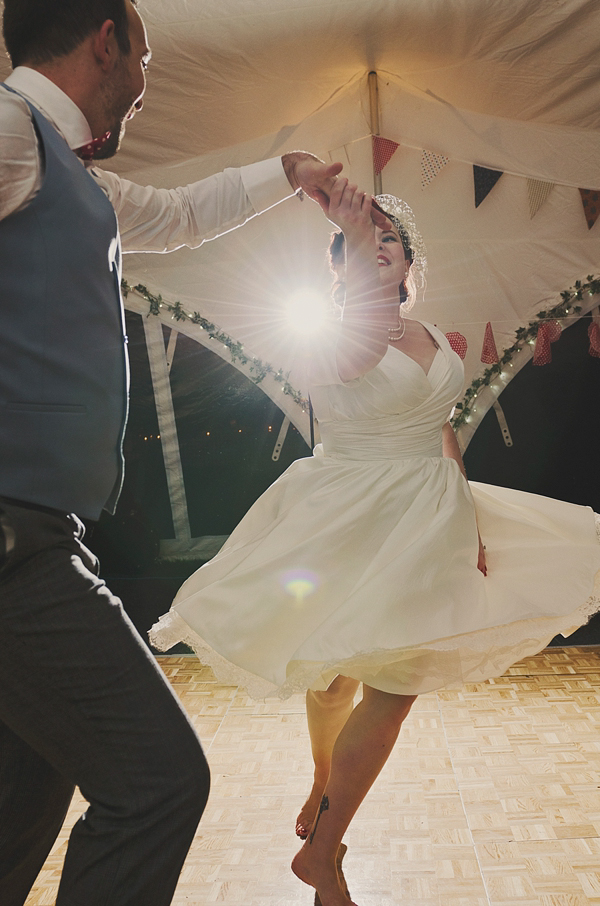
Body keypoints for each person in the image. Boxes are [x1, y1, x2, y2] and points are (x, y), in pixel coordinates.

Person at [0, 2, 395, 903]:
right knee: (157, 780)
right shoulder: (12, 134)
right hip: (12, 545)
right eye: (142, 53)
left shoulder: (66, 171)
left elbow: (178, 215)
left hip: (38, 529)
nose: (142, 82)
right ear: (106, 39)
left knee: (27, 796)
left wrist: (291, 174)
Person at [150, 178, 600, 906]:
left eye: (392, 238)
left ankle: (321, 853)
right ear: (343, 267)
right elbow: (357, 352)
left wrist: (467, 510)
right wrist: (355, 246)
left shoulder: (426, 332)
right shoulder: (339, 332)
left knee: (395, 686)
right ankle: (327, 781)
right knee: (335, 677)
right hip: (348, 511)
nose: (382, 244)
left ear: (409, 260)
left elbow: (440, 425)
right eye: (368, 240)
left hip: (429, 514)